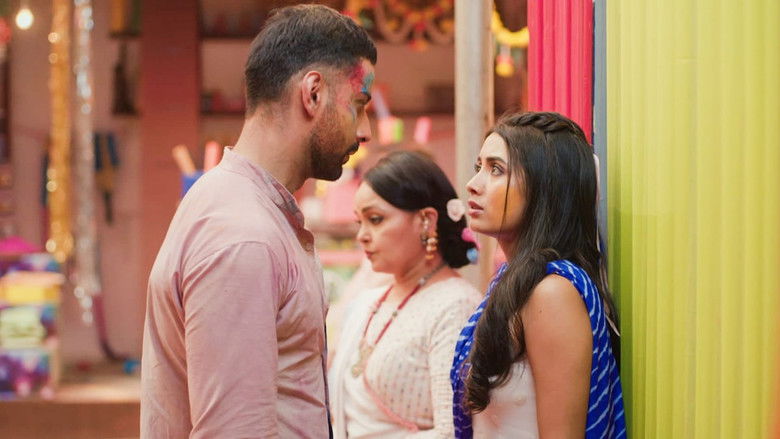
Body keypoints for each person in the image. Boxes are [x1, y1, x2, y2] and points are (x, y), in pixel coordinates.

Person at [141, 5, 376, 438]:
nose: (364, 131)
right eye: (358, 105)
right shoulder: (243, 234)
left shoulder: (246, 208)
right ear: (313, 94)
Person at [451, 112, 626, 438]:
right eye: (479, 167)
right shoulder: (512, 283)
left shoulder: (552, 293)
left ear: (544, 188)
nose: (473, 184)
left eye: (496, 169)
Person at [329, 151, 481, 438]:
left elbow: (452, 432)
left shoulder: (456, 306)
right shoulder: (368, 302)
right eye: (359, 222)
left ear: (426, 221)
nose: (362, 235)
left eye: (375, 219)